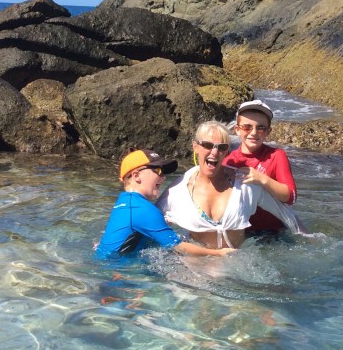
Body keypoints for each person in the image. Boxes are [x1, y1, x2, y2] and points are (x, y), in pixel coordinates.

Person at [158, 120, 305, 249]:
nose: (214, 152)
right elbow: (150, 221)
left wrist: (310, 238)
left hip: (236, 265)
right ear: (195, 147)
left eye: (221, 147)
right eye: (208, 145)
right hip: (195, 267)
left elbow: (284, 212)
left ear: (227, 151)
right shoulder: (179, 189)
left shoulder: (244, 184)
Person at [95, 149, 237, 259]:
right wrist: (219, 254)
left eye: (163, 172)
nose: (163, 177)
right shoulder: (143, 209)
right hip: (118, 277)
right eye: (157, 170)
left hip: (108, 267)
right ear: (136, 175)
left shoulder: (124, 201)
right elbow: (179, 247)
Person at [223, 99, 298, 234]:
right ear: (237, 130)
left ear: (268, 131)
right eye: (247, 127)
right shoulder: (229, 161)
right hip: (242, 233)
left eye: (261, 128)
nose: (254, 132)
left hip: (274, 232)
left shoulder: (276, 156)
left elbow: (291, 196)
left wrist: (262, 179)